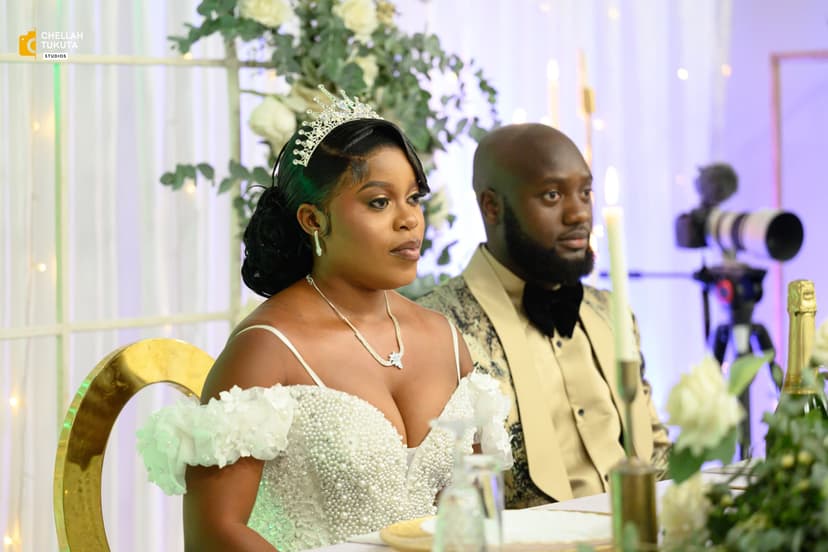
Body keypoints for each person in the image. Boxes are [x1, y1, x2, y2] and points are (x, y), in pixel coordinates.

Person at [137, 88, 511, 552]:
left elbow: (474, 513)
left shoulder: (444, 339)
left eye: (413, 198)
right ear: (313, 219)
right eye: (379, 202)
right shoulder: (267, 348)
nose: (409, 220)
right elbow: (215, 533)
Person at [418, 123, 670, 509]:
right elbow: (437, 494)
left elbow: (654, 450)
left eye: (585, 192)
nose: (578, 213)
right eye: (552, 195)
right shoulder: (436, 327)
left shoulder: (611, 312)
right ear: (492, 206)